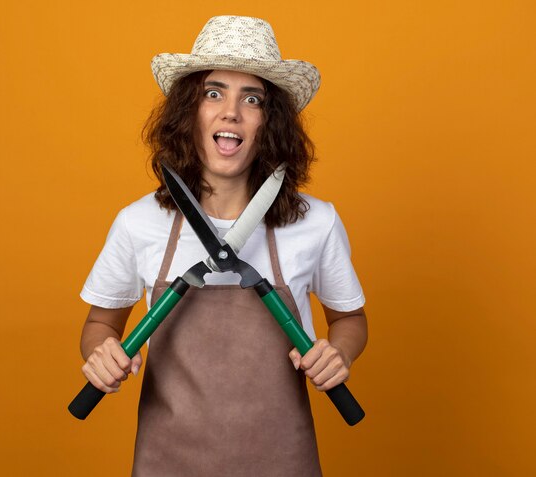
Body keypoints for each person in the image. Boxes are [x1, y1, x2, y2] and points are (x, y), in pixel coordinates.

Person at [78, 15, 367, 477]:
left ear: (269, 123)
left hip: (283, 462)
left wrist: (340, 353)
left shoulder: (317, 222)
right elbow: (98, 324)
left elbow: (349, 319)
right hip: (167, 462)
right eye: (214, 93)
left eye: (251, 99)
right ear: (189, 112)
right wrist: (102, 352)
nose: (230, 111)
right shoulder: (140, 222)